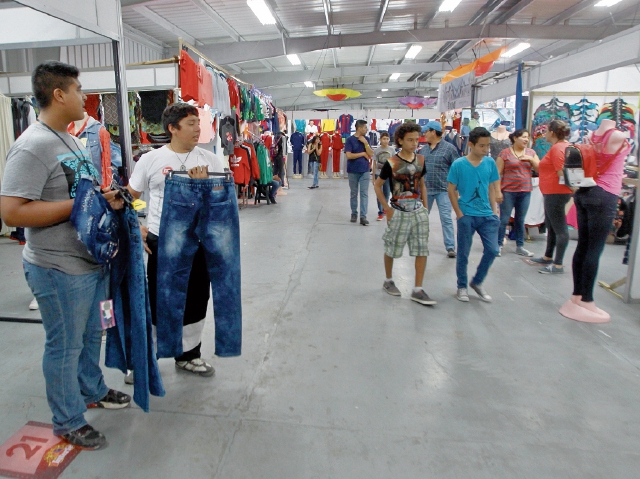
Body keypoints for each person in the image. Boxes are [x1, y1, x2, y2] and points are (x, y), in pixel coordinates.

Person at [1, 61, 130, 450]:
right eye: (78, 89)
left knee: (92, 334)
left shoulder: (70, 138)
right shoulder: (32, 145)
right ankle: (68, 420)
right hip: (58, 268)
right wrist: (77, 205)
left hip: (88, 261)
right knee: (64, 345)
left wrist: (104, 198)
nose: (84, 96)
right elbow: (11, 212)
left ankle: (92, 389)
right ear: (59, 95)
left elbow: (79, 193)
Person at [127, 103, 225, 378]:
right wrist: (138, 226)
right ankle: (147, 359)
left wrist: (205, 187)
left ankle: (188, 355)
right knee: (161, 301)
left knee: (195, 300)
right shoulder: (150, 160)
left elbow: (221, 204)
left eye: (198, 122)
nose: (198, 128)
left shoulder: (210, 160)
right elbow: (129, 197)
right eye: (191, 123)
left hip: (198, 244)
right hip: (162, 242)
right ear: (173, 128)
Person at [560, 119, 631, 323]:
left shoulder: (593, 135)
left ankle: (577, 295)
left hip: (585, 191)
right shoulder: (616, 135)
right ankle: (587, 299)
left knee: (583, 245)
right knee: (594, 249)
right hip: (605, 193)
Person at [374, 122, 436, 306]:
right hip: (398, 210)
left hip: (418, 211)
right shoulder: (392, 162)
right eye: (410, 140)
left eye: (417, 140)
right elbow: (378, 185)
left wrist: (425, 207)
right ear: (400, 140)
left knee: (421, 248)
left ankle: (418, 288)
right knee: (392, 247)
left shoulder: (421, 160)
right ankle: (388, 280)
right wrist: (387, 209)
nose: (414, 143)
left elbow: (422, 184)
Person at [447, 127, 501, 303]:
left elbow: (492, 185)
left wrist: (494, 212)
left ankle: (477, 282)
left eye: (487, 146)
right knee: (463, 253)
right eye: (482, 146)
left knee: (493, 250)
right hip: (467, 215)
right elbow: (451, 189)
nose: (485, 150)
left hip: (487, 216)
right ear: (471, 145)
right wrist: (459, 213)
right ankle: (461, 286)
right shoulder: (459, 165)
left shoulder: (490, 163)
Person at [531, 120, 573, 274]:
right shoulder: (561, 147)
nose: (545, 133)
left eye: (547, 130)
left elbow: (561, 171)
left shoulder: (558, 149)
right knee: (552, 226)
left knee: (560, 228)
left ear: (553, 133)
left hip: (557, 193)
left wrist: (572, 188)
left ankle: (558, 264)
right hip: (553, 192)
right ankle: (548, 256)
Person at [496, 129, 540, 257]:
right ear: (515, 138)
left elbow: (539, 168)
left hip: (525, 191)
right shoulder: (504, 153)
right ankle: (498, 245)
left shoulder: (531, 153)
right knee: (504, 219)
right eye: (524, 137)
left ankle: (520, 246)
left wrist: (530, 160)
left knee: (520, 220)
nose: (526, 140)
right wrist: (498, 191)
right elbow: (497, 173)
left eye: (528, 137)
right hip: (508, 191)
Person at [419, 120, 459, 257]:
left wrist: (456, 189)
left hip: (444, 189)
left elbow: (457, 168)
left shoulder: (449, 148)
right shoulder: (423, 150)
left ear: (433, 132)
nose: (424, 134)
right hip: (426, 189)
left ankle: (450, 247)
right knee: (422, 218)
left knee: (446, 218)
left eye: (426, 131)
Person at [345, 119, 374, 225]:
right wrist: (362, 154)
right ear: (359, 128)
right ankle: (354, 213)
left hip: (365, 170)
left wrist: (366, 143)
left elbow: (371, 153)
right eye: (365, 127)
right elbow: (349, 155)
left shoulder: (367, 139)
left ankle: (363, 216)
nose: (366, 129)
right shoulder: (349, 140)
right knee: (353, 193)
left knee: (364, 194)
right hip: (352, 170)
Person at [372, 131, 395, 221]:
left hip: (388, 176)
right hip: (379, 175)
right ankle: (380, 212)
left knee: (387, 193)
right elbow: (374, 163)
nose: (385, 141)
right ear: (380, 140)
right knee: (379, 193)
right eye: (383, 139)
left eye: (387, 139)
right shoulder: (376, 150)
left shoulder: (392, 150)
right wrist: (373, 176)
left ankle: (385, 208)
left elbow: (394, 163)